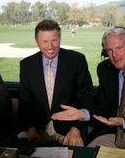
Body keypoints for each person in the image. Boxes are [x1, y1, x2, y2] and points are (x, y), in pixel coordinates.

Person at [18, 19, 93, 147]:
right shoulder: (27, 65)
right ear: (37, 41)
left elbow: (87, 98)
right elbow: (25, 102)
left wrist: (76, 129)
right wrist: (31, 129)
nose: (50, 46)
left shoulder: (77, 60)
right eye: (45, 41)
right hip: (39, 130)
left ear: (60, 38)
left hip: (69, 130)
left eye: (54, 40)